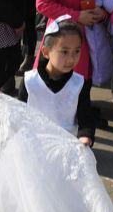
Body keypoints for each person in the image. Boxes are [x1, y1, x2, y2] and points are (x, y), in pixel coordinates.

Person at [19, 17, 95, 146]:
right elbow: (18, 112)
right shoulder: (30, 81)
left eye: (76, 51)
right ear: (46, 52)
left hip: (65, 146)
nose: (71, 59)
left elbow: (86, 115)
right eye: (64, 52)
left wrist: (85, 135)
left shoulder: (78, 83)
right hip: (34, 144)